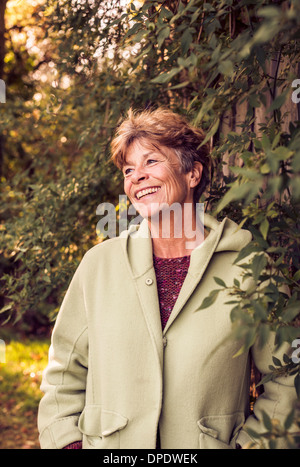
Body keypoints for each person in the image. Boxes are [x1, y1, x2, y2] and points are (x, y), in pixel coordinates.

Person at [38, 107, 296, 449]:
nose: (136, 177)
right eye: (129, 169)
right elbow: (62, 376)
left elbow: (287, 377)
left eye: (151, 162)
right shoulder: (98, 266)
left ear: (192, 174)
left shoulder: (250, 267)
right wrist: (68, 443)